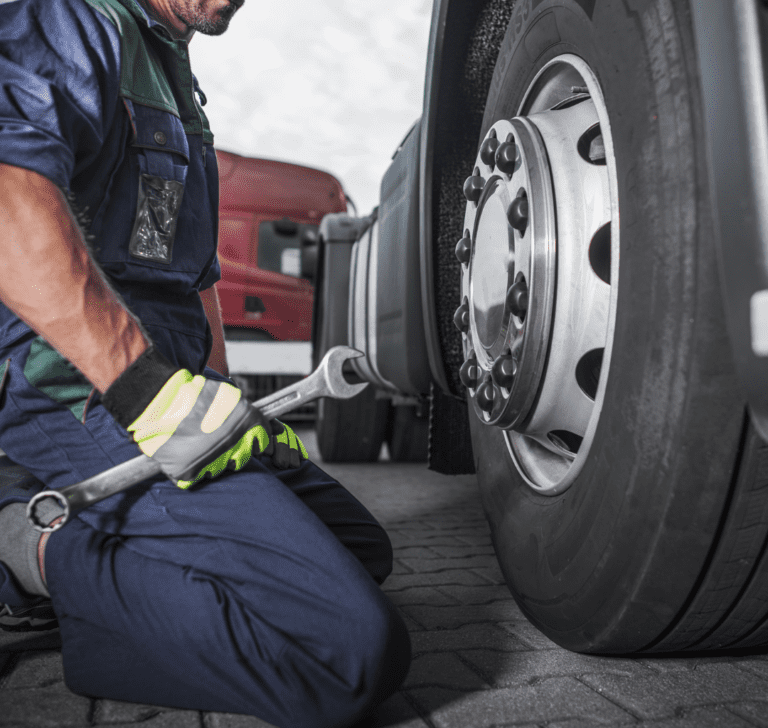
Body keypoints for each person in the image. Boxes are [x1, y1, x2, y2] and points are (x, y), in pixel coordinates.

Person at [0, 0, 411, 726]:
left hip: (164, 381)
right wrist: (146, 393)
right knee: (345, 649)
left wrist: (225, 397)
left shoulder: (172, 74)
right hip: (75, 383)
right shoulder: (74, 19)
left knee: (359, 549)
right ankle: (28, 549)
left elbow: (191, 276)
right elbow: (8, 187)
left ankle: (110, 576)